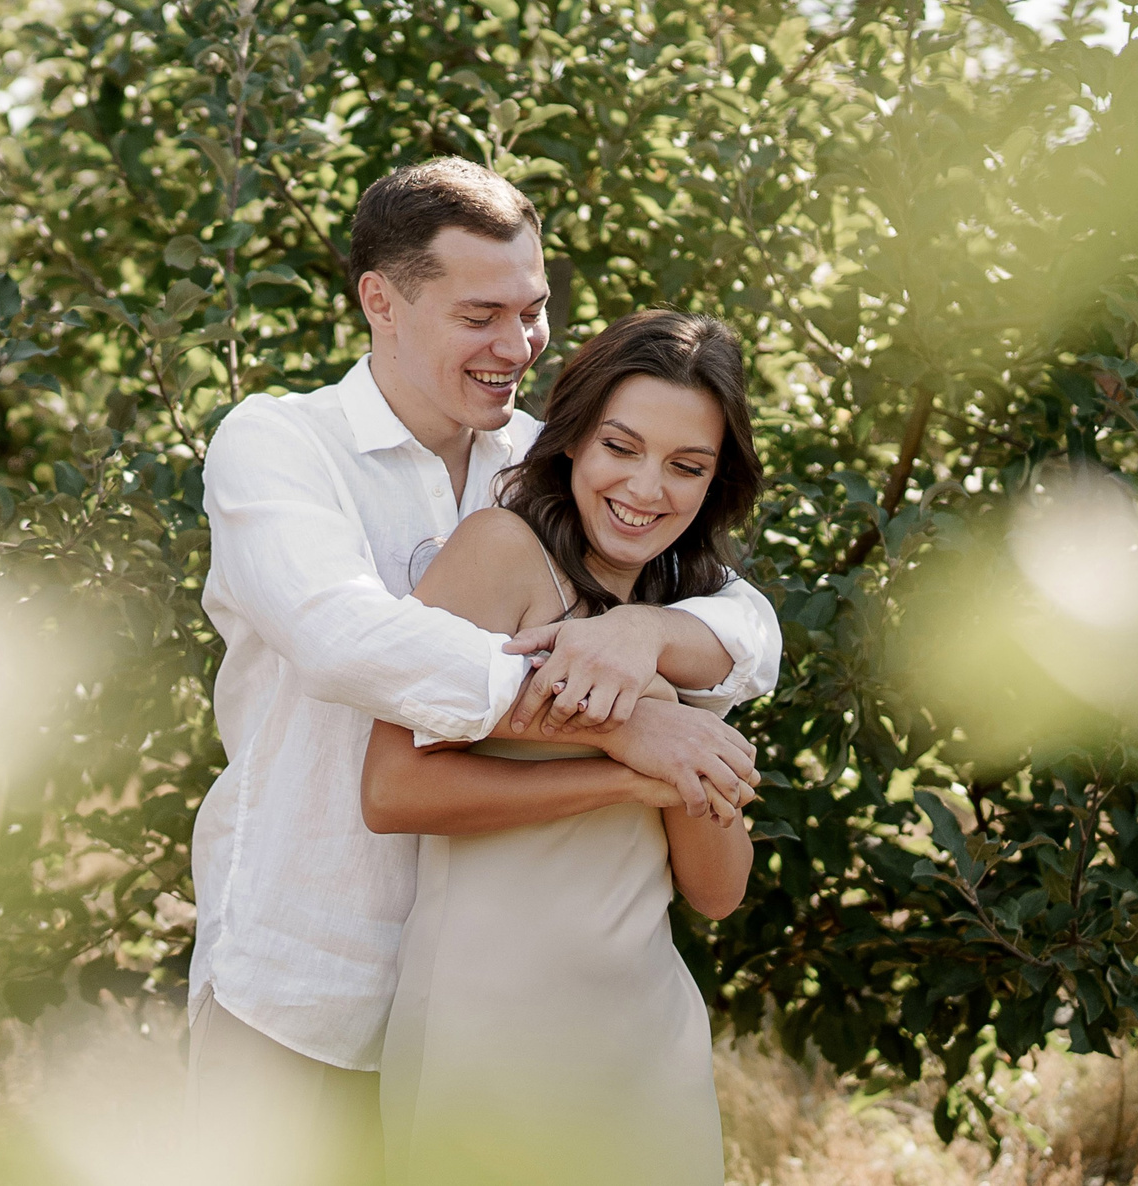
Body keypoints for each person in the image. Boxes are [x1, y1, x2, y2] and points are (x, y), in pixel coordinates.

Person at [185, 160, 780, 1185]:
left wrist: (648, 643)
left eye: (534, 309)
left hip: (500, 995)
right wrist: (620, 724)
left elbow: (743, 616)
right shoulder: (281, 444)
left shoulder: (547, 462)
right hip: (306, 969)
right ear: (382, 297)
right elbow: (345, 639)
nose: (517, 346)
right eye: (481, 314)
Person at [363, 309, 764, 1185]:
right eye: (621, 447)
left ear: (714, 483)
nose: (647, 488)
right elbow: (391, 791)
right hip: (484, 1033)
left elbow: (718, 890)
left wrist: (667, 704)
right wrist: (624, 777)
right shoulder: (499, 553)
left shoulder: (687, 613)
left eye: (686, 466)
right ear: (572, 439)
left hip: (645, 1042)